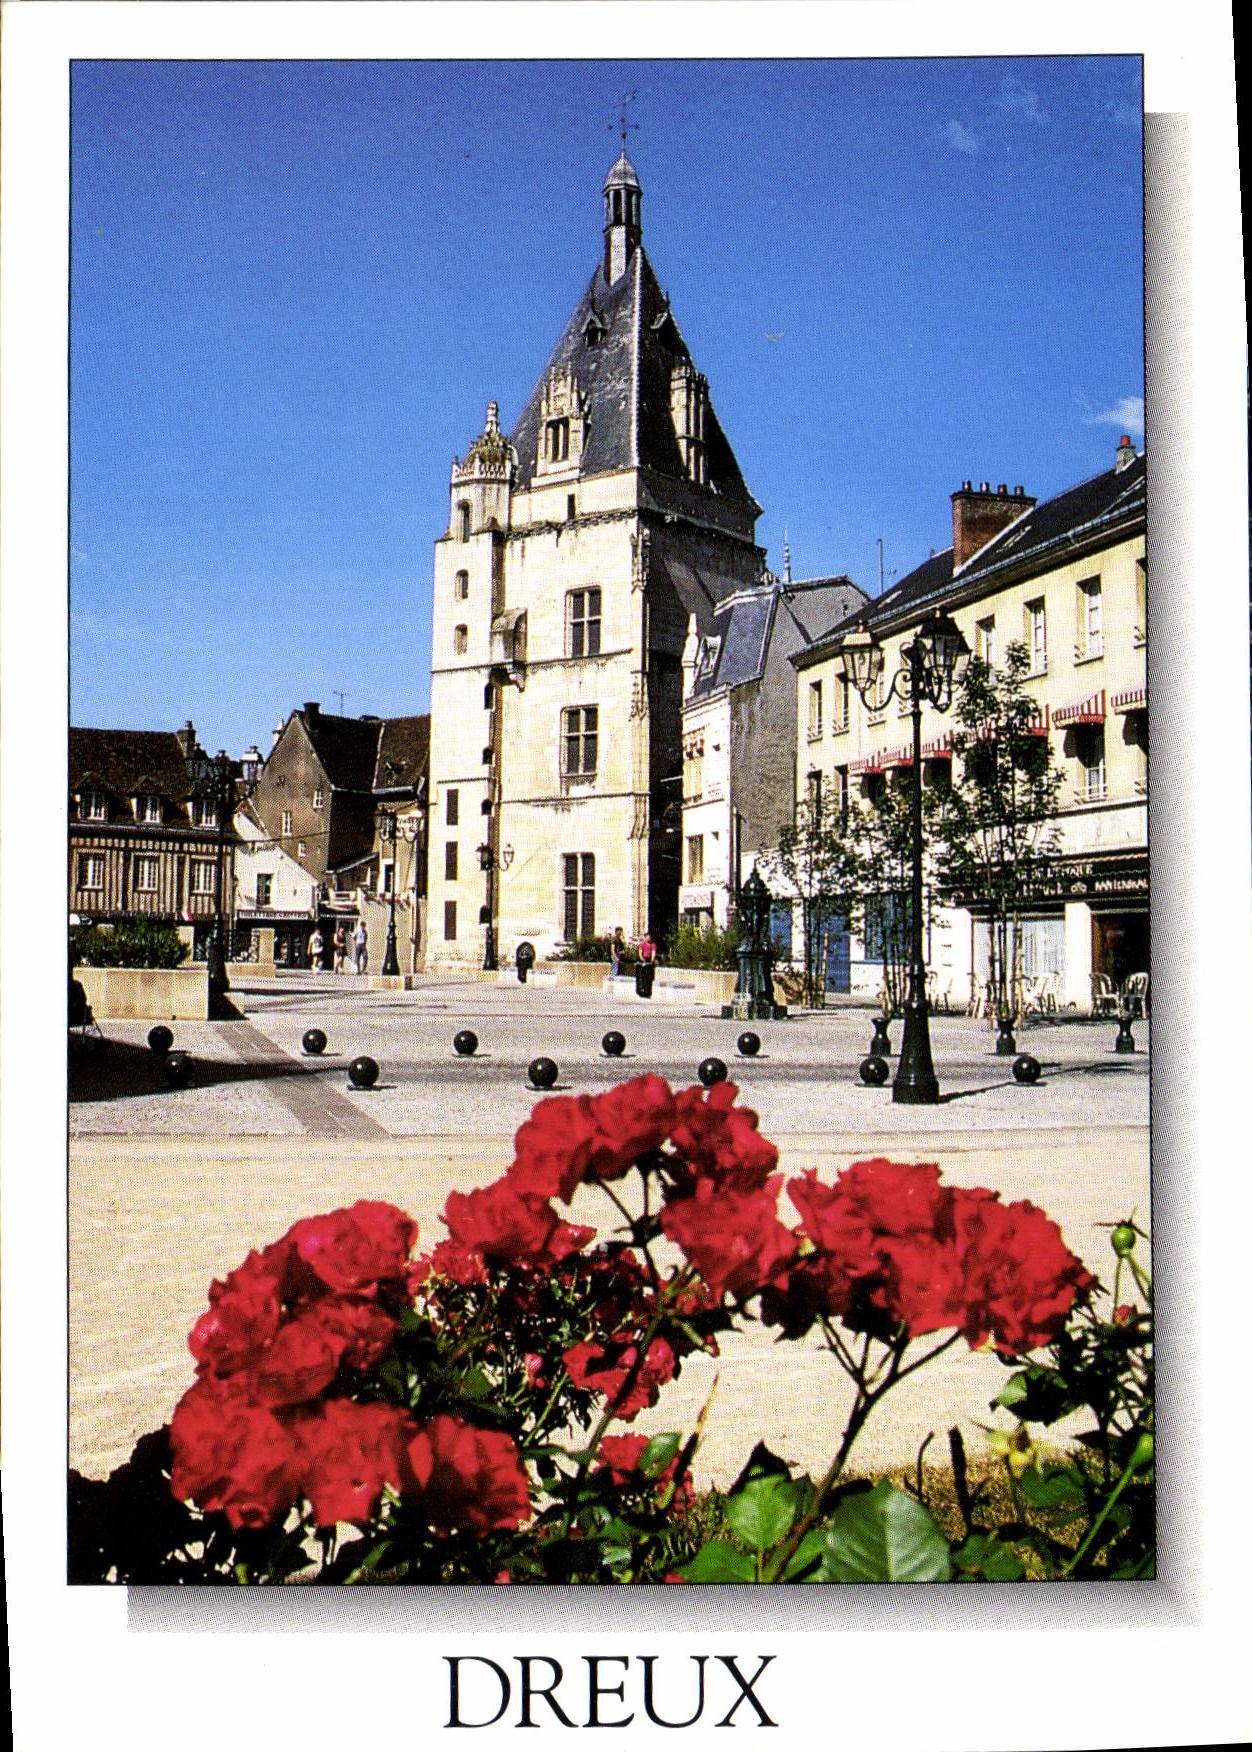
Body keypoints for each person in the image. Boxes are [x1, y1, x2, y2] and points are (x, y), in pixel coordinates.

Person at [635, 929, 657, 999]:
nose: (649, 938)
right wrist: (643, 960)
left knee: (649, 978)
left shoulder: (653, 945)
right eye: (647, 936)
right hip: (643, 961)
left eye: (650, 937)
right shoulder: (642, 944)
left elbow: (653, 953)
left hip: (649, 962)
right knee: (642, 977)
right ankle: (641, 991)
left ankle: (648, 992)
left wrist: (652, 960)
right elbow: (640, 953)